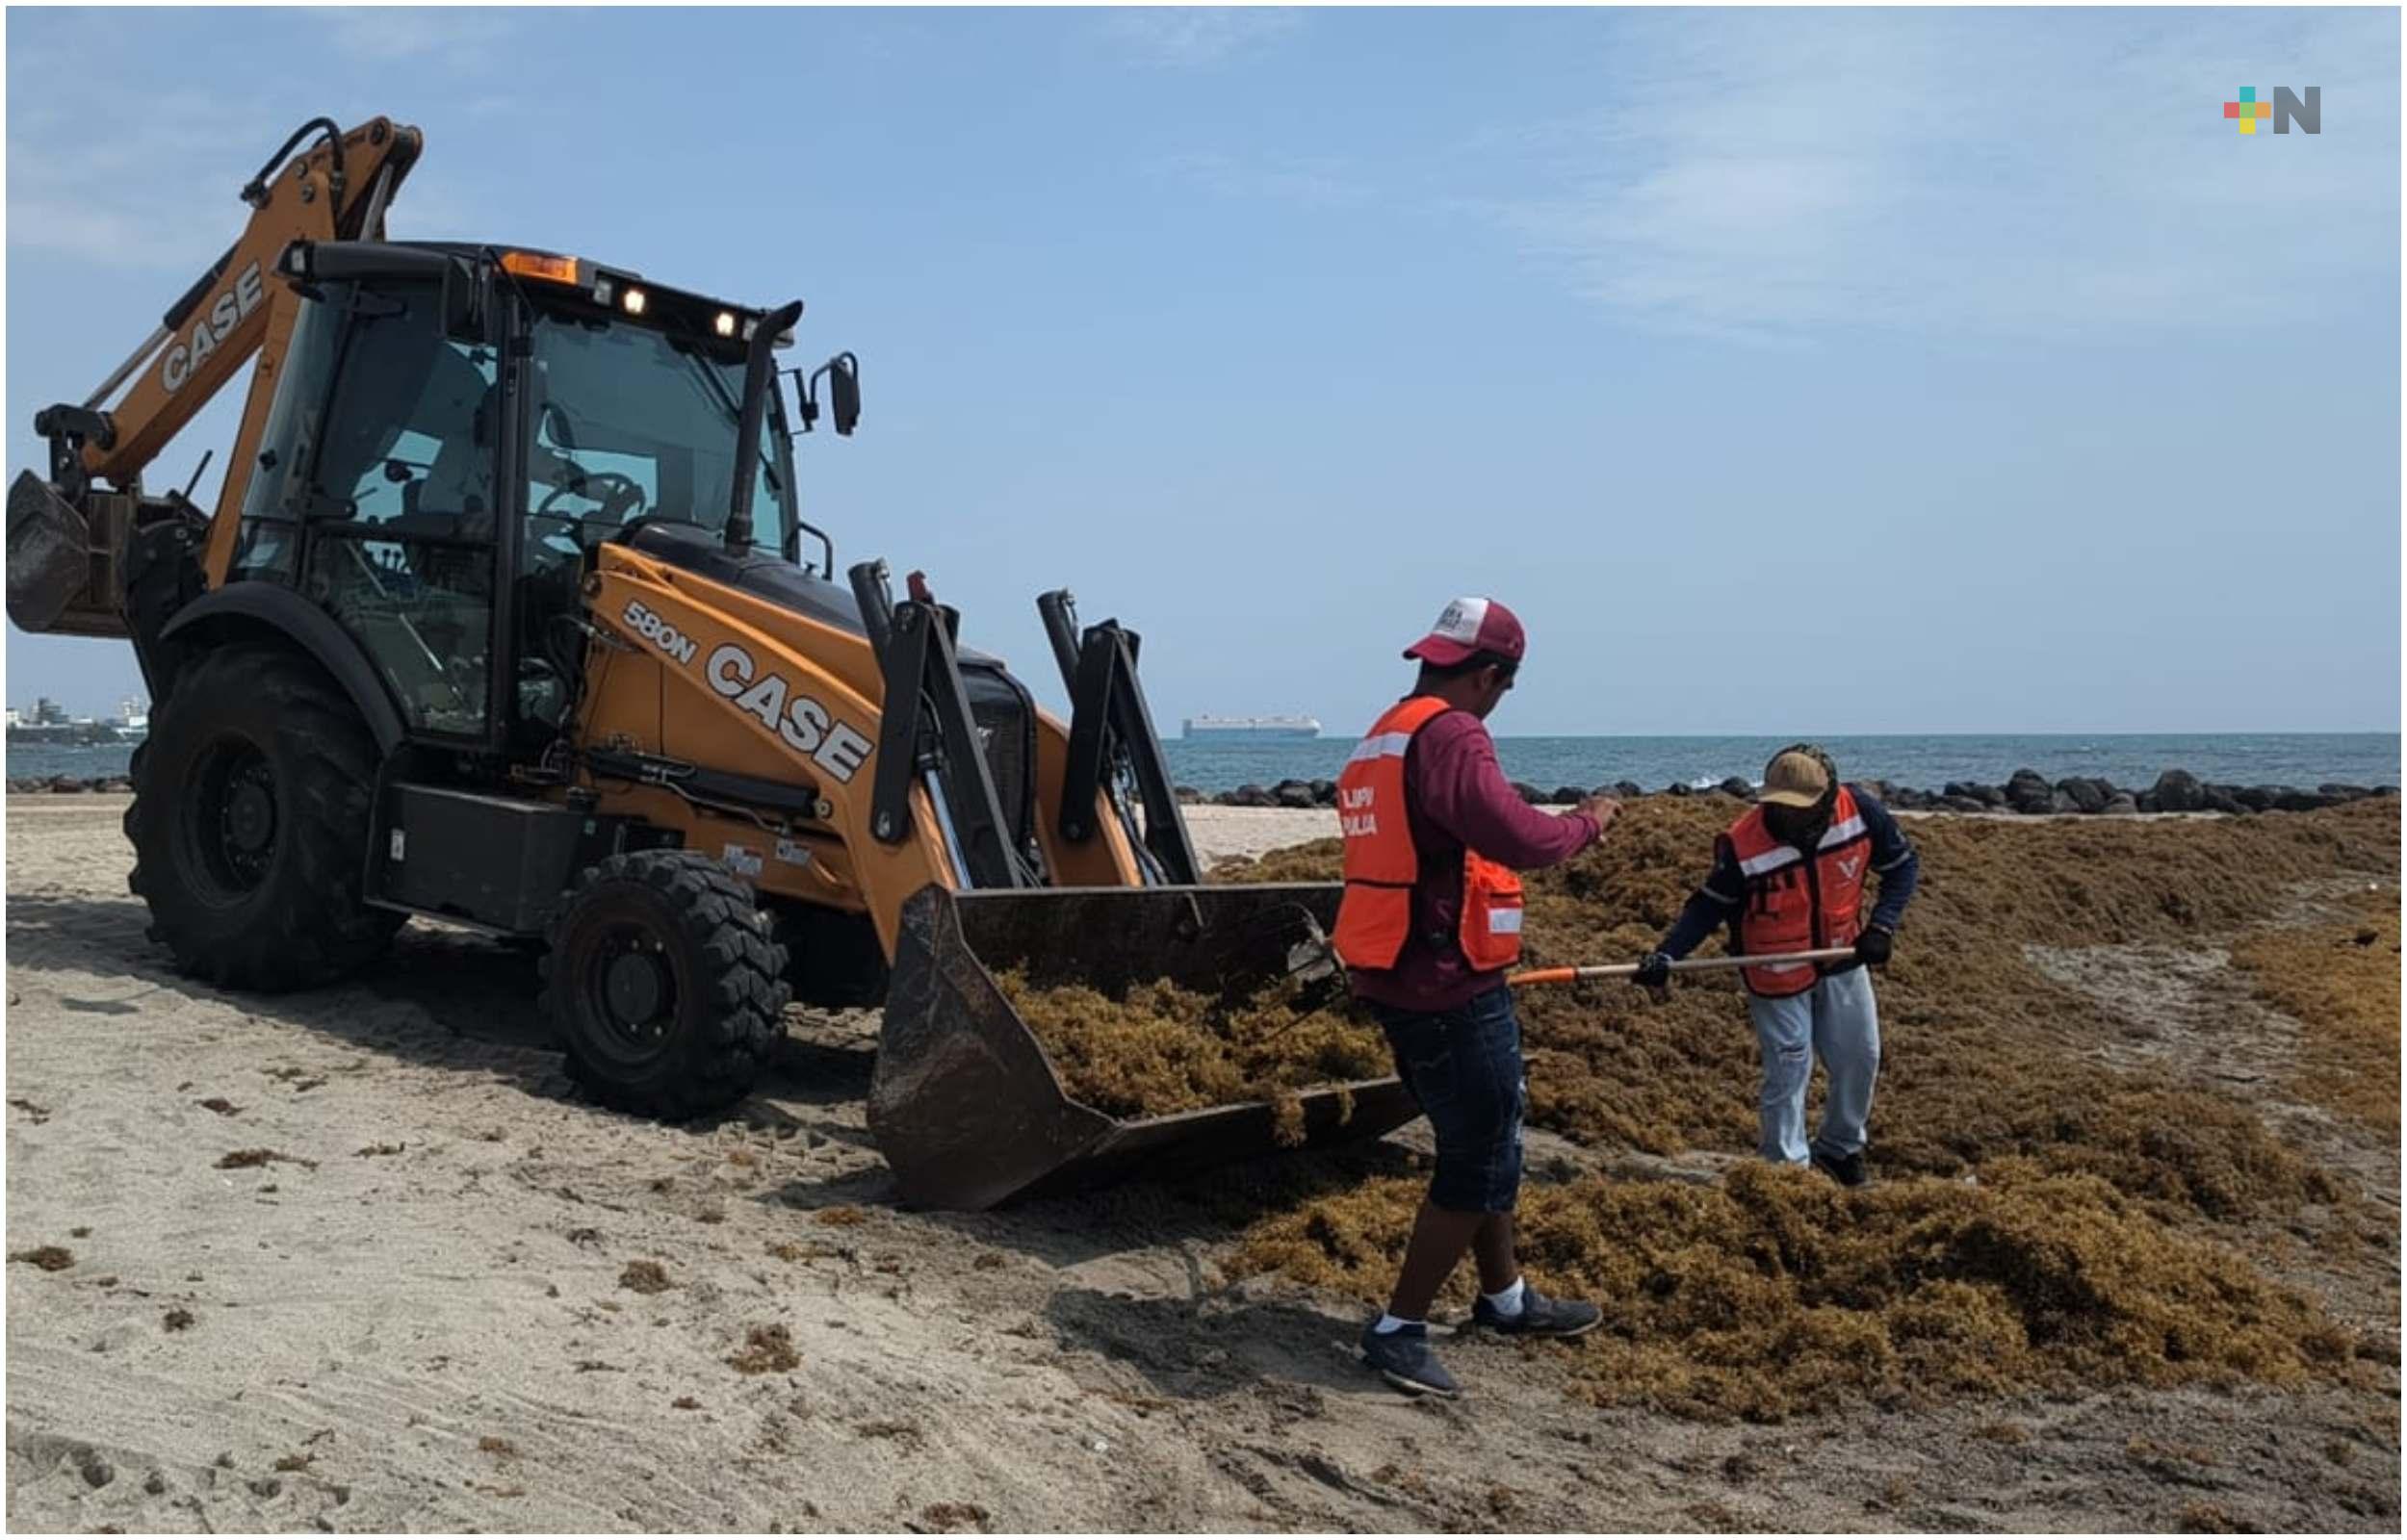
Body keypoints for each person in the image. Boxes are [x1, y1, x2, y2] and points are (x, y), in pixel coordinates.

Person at [1335, 597, 1621, 1399]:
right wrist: (1588, 822)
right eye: (1501, 686)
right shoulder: (1453, 732)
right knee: (1480, 1149)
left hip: (1395, 967)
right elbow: (1517, 837)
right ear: (1492, 676)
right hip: (1444, 979)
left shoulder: (1386, 732)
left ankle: (1505, 1297)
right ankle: (1398, 1329)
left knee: (1490, 1132)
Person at [1633, 745, 1919, 1187]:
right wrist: (1668, 955)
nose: (1789, 819)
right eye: (1780, 809)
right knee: (1790, 1065)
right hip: (1774, 966)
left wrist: (1881, 927)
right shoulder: (1744, 844)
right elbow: (1707, 907)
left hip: (1842, 955)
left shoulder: (1860, 811)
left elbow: (1902, 868)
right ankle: (1786, 1171)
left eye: (1801, 811)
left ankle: (1840, 1148)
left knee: (1860, 1056)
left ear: (1826, 801)